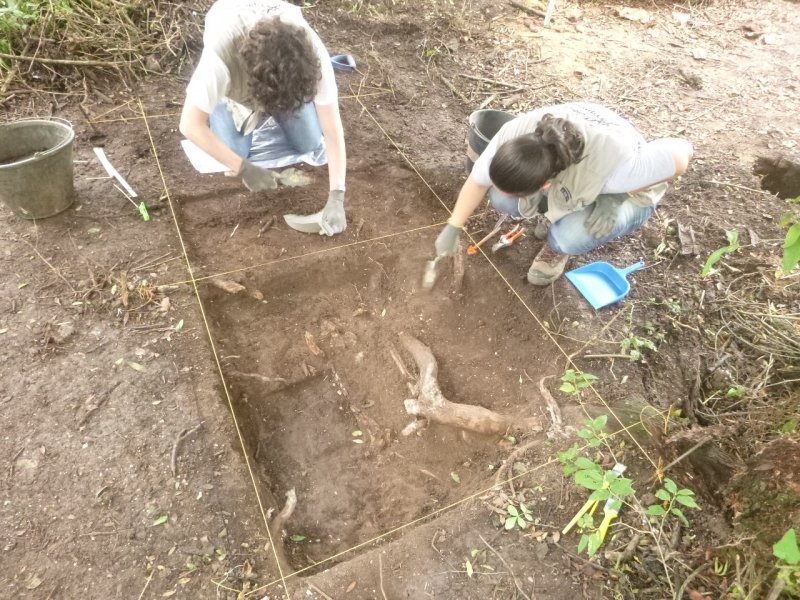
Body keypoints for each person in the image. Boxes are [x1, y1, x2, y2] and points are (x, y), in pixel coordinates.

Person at [434, 102, 693, 284]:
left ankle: (557, 249)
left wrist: (619, 196)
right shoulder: (513, 137)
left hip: (626, 186)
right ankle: (554, 214)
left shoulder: (623, 170)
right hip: (575, 167)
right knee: (501, 198)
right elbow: (477, 182)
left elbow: (682, 152)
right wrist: (453, 226)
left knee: (571, 235)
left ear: (545, 186)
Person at [179, 0, 347, 236]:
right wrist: (243, 168)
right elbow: (190, 124)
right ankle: (223, 108)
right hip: (236, 90)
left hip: (280, 79)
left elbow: (331, 128)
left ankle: (285, 104)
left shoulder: (311, 56)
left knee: (309, 142)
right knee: (234, 152)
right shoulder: (219, 62)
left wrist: (337, 195)